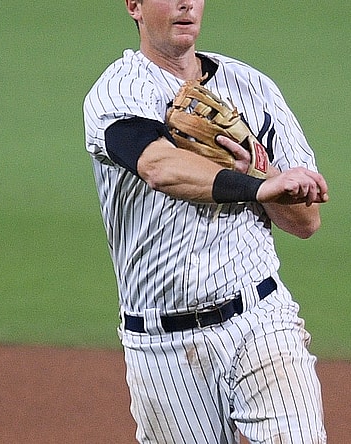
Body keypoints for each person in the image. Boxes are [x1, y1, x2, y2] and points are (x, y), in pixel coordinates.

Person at [82, 0, 329, 442]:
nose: (185, 3)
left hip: (260, 318)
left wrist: (266, 175)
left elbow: (306, 220)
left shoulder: (253, 88)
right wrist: (252, 187)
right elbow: (158, 166)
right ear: (134, 5)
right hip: (163, 346)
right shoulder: (118, 91)